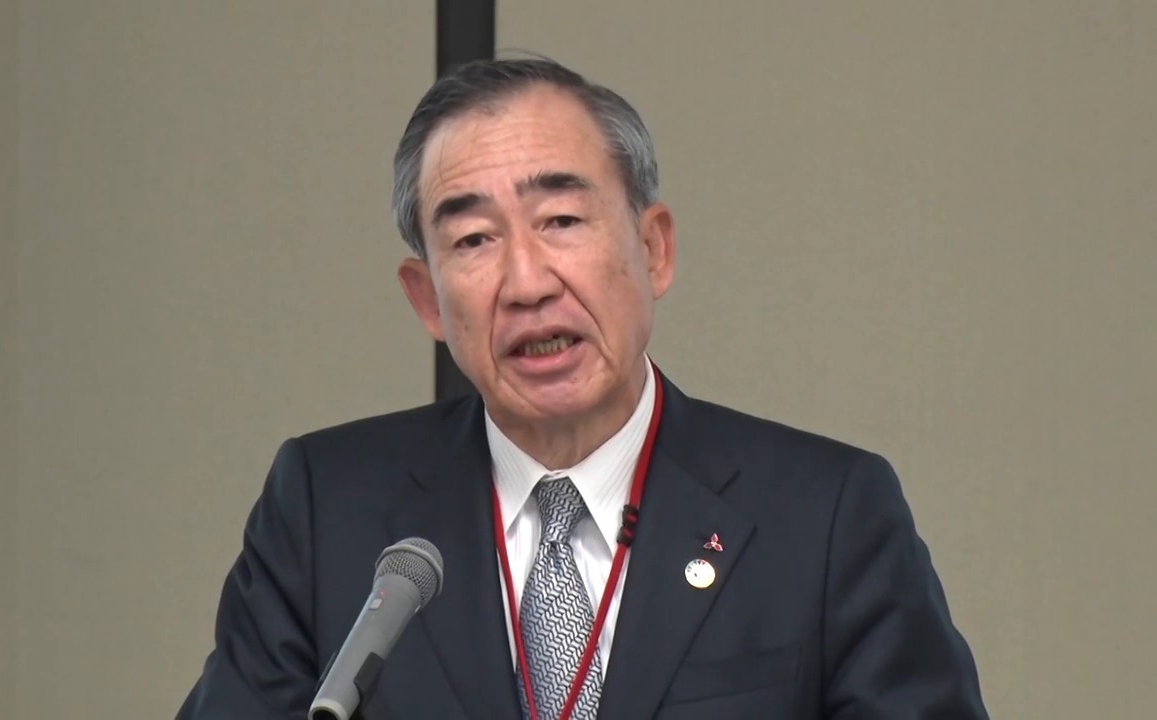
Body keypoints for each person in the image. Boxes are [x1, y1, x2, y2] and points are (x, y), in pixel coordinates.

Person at [177, 57, 989, 719]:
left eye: (561, 221)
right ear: (426, 300)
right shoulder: (326, 512)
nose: (527, 282)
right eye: (473, 239)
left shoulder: (826, 518)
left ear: (654, 249)